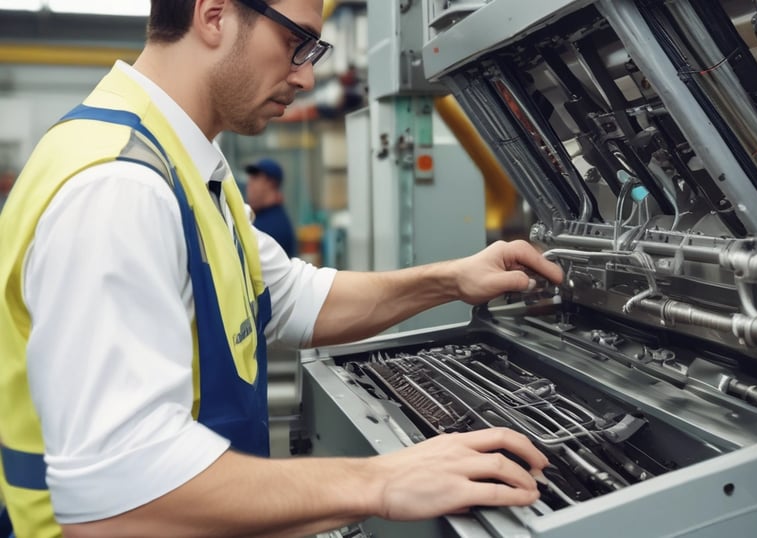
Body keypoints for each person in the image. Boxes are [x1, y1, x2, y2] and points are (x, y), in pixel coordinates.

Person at [0, 0, 564, 537]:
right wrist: (382, 478)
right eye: (297, 43)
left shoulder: (184, 161)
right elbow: (117, 503)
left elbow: (290, 296)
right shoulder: (119, 187)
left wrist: (452, 280)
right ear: (214, 15)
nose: (306, 77)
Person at [245, 157, 297, 257]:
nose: (249, 184)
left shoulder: (274, 226)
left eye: (255, 178)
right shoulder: (259, 216)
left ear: (270, 184)